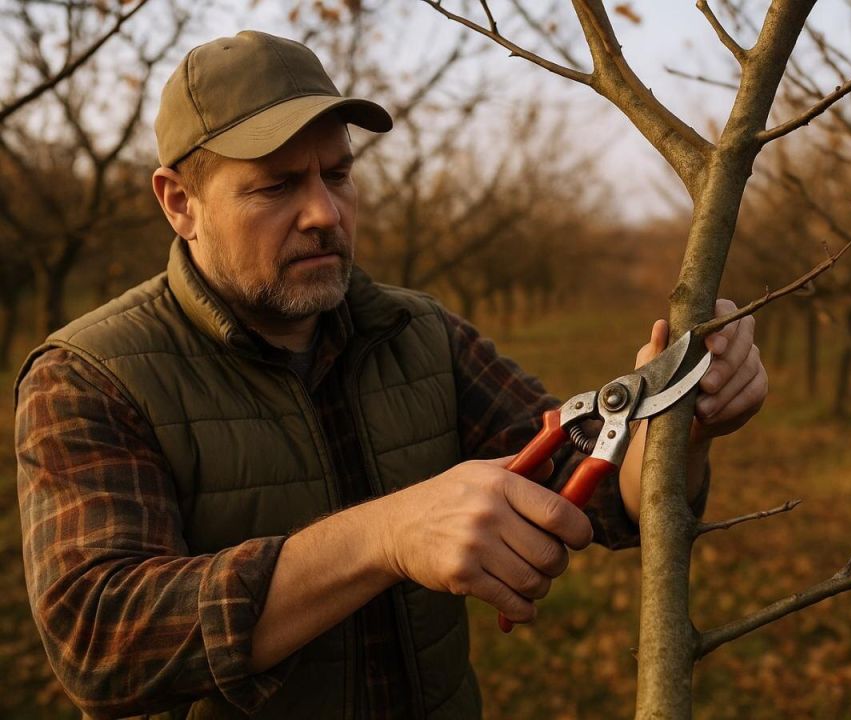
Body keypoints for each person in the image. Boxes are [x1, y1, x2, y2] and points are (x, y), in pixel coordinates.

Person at [15, 31, 767, 720]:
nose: (324, 212)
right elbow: (99, 640)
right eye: (277, 187)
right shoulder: (89, 376)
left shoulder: (417, 333)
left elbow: (594, 490)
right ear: (180, 203)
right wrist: (385, 535)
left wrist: (682, 423)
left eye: (337, 175)